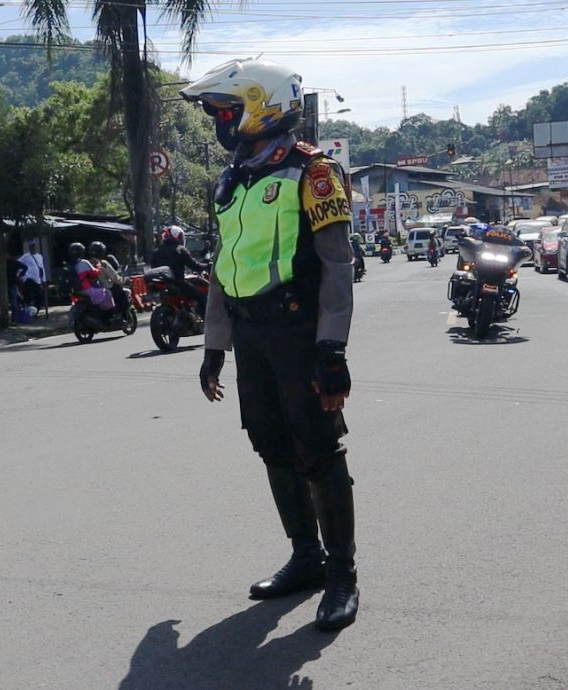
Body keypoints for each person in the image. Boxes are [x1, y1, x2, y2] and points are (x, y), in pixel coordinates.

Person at [181, 58, 358, 630]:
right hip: (251, 335)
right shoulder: (233, 177)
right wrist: (214, 346)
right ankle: (305, 557)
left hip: (298, 331)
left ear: (263, 108)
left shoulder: (314, 172)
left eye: (226, 112)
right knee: (270, 445)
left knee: (319, 451)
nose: (220, 124)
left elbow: (336, 267)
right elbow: (222, 265)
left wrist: (332, 350)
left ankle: (341, 575)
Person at [150, 225, 209, 316]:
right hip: (178, 283)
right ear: (177, 236)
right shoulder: (180, 249)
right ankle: (208, 323)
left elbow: (153, 266)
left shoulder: (157, 252)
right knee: (201, 297)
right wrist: (207, 266)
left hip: (163, 284)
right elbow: (194, 265)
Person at [69, 242, 114, 311]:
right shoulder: (83, 262)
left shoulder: (70, 264)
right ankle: (109, 313)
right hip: (86, 288)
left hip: (76, 291)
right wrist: (98, 266)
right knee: (107, 292)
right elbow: (95, 273)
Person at [89, 240, 128, 312]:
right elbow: (115, 277)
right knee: (121, 293)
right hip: (105, 289)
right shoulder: (103, 263)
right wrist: (124, 280)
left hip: (91, 289)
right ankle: (119, 314)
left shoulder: (87, 263)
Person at [19, 240, 46, 310]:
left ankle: (37, 310)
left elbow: (42, 268)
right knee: (28, 296)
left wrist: (44, 279)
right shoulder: (26, 256)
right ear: (29, 248)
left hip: (37, 279)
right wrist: (21, 274)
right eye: (31, 246)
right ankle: (27, 310)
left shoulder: (40, 256)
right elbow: (18, 263)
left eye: (34, 246)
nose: (33, 248)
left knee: (38, 296)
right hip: (29, 278)